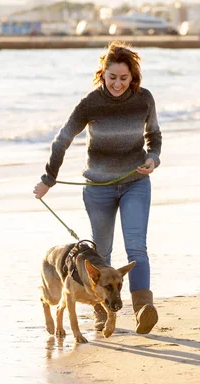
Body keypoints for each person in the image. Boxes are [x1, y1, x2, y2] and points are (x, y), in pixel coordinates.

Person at [33, 41, 162, 335]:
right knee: (100, 253)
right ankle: (101, 311)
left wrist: (153, 159)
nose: (117, 83)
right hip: (98, 189)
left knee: (136, 247)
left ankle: (143, 309)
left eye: (124, 78)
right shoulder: (90, 103)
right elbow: (61, 139)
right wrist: (48, 179)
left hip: (135, 184)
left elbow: (154, 136)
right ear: (102, 74)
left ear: (133, 78)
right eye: (112, 76)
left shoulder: (144, 100)